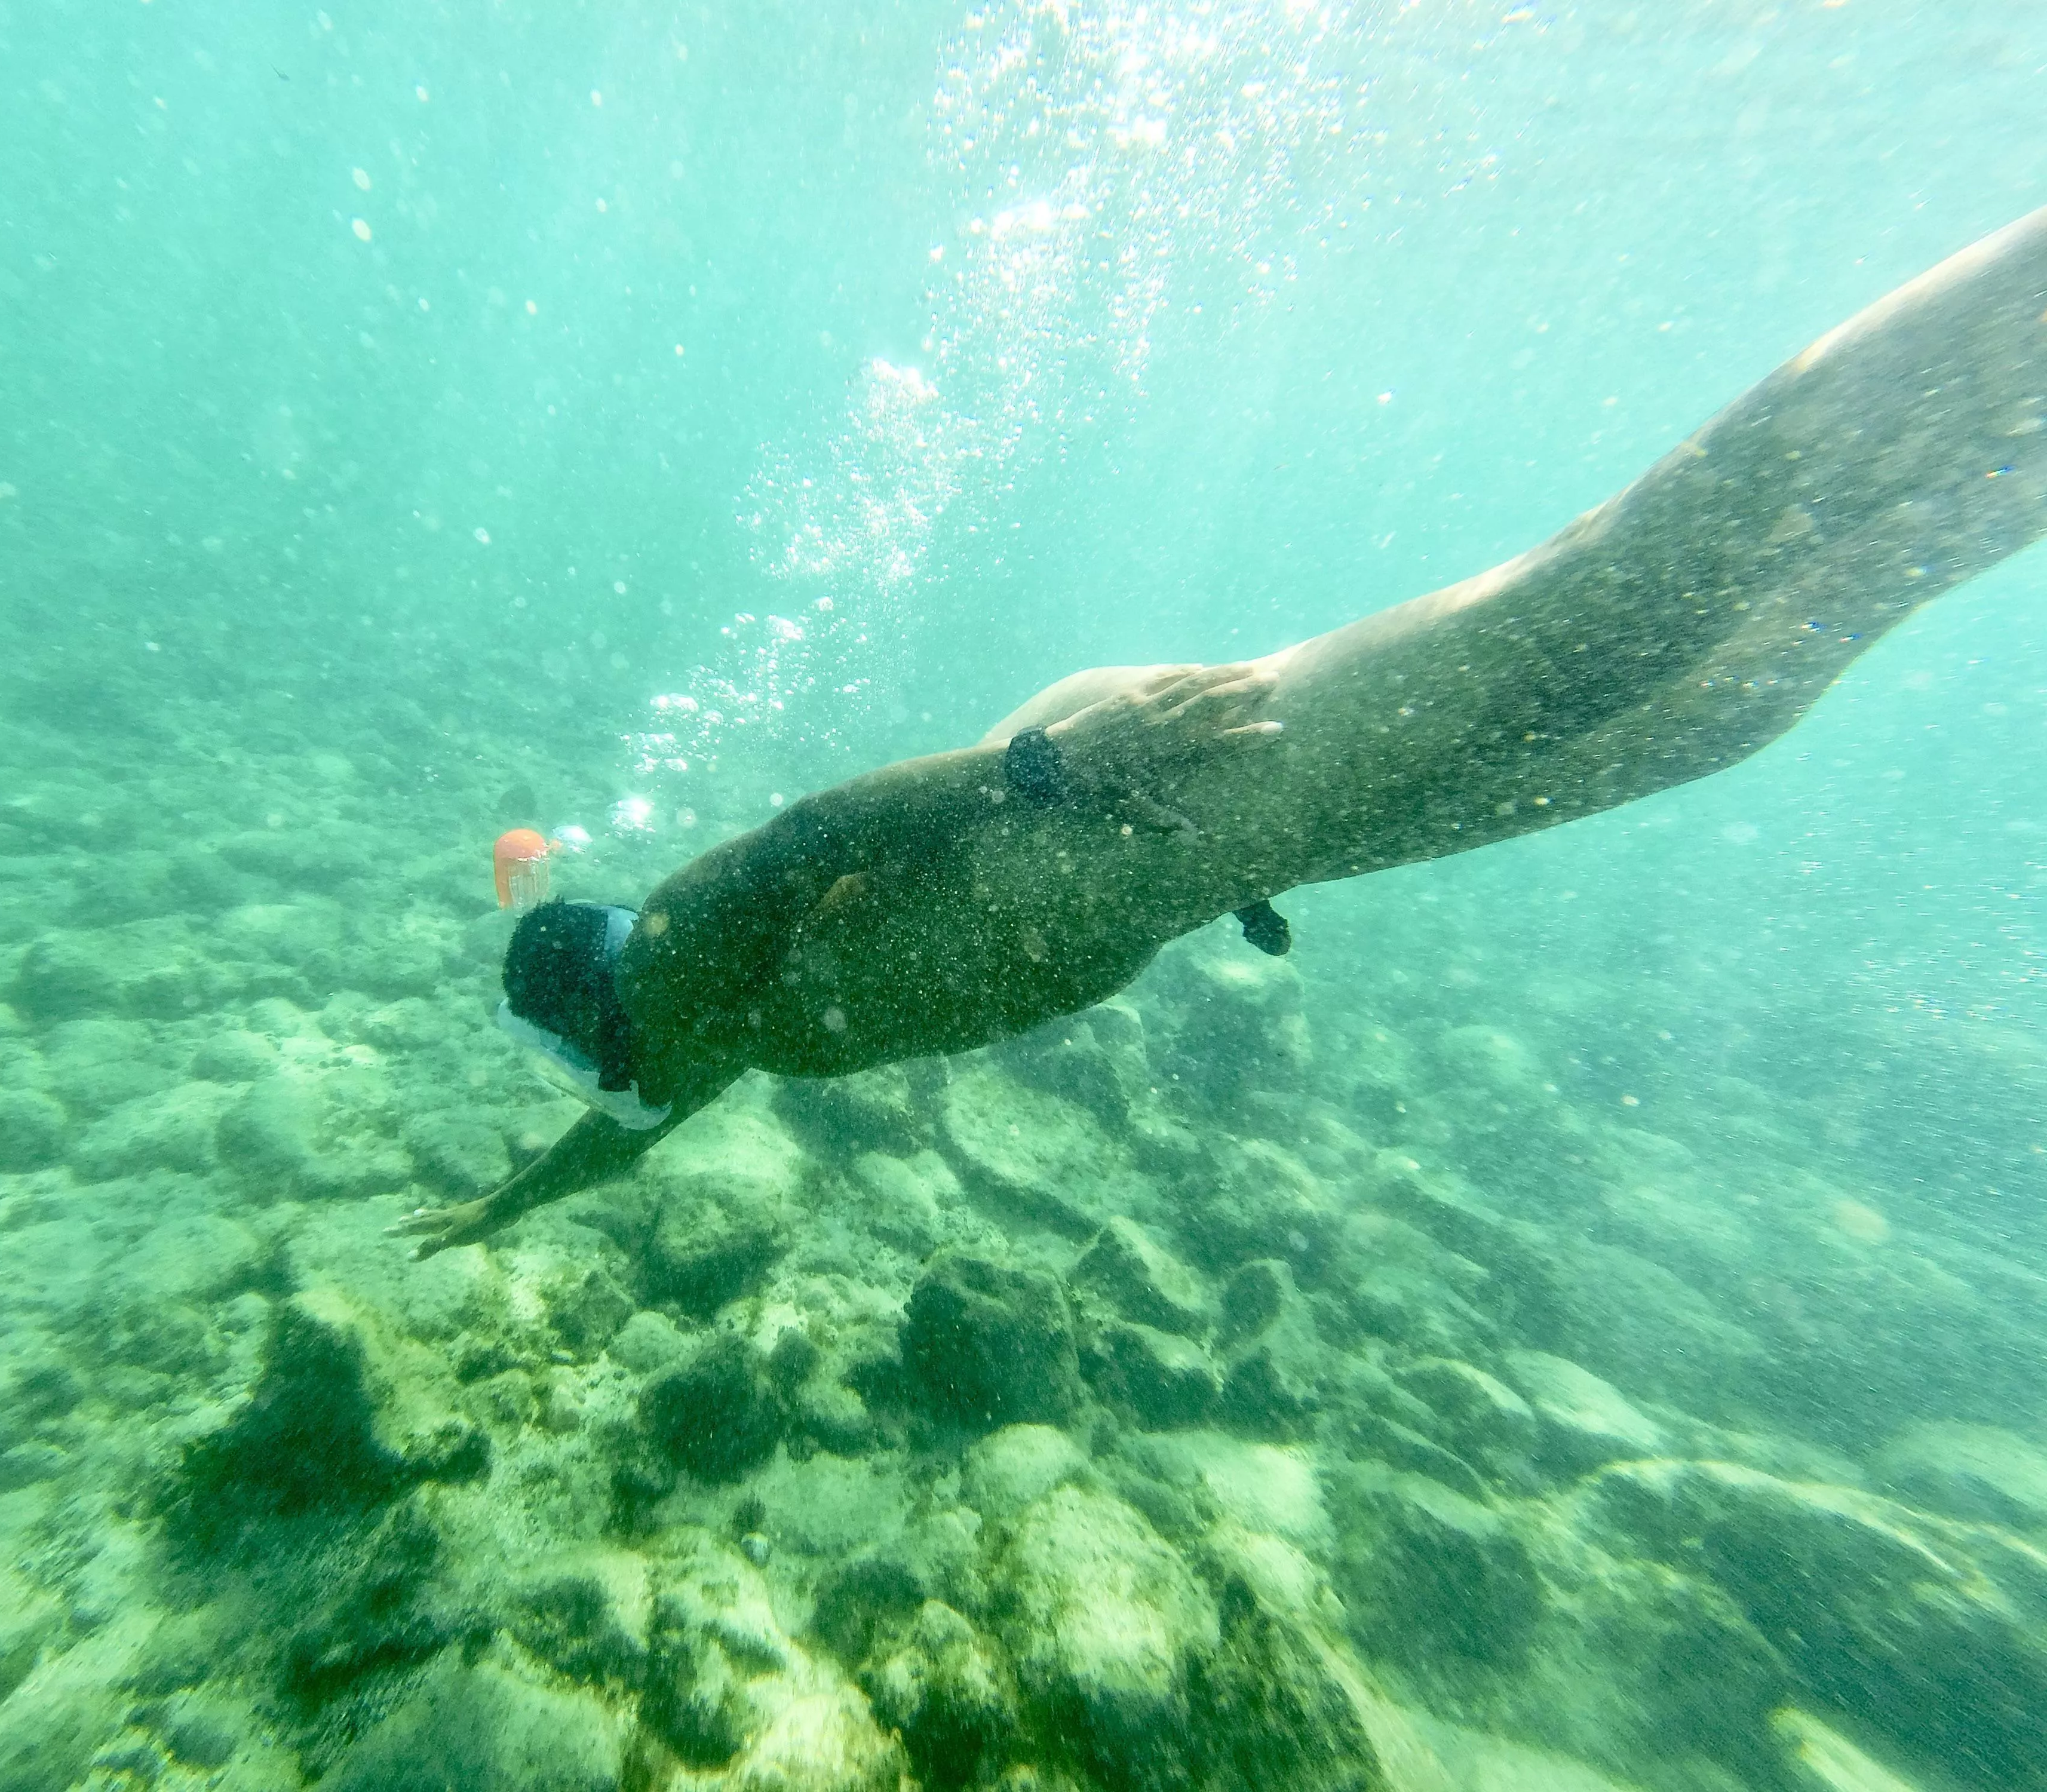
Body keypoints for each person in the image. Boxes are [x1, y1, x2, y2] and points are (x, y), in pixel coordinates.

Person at [394, 204, 2047, 1258]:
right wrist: (503, 1205)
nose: (628, 1102)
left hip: (1108, 803)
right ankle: (1964, 499)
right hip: (1174, 865)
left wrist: (1051, 768)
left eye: (609, 1078)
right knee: (1691, 719)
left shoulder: (679, 965)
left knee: (1599, 604)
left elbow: (813, 833)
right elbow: (602, 1148)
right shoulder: (683, 1057)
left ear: (614, 1020)